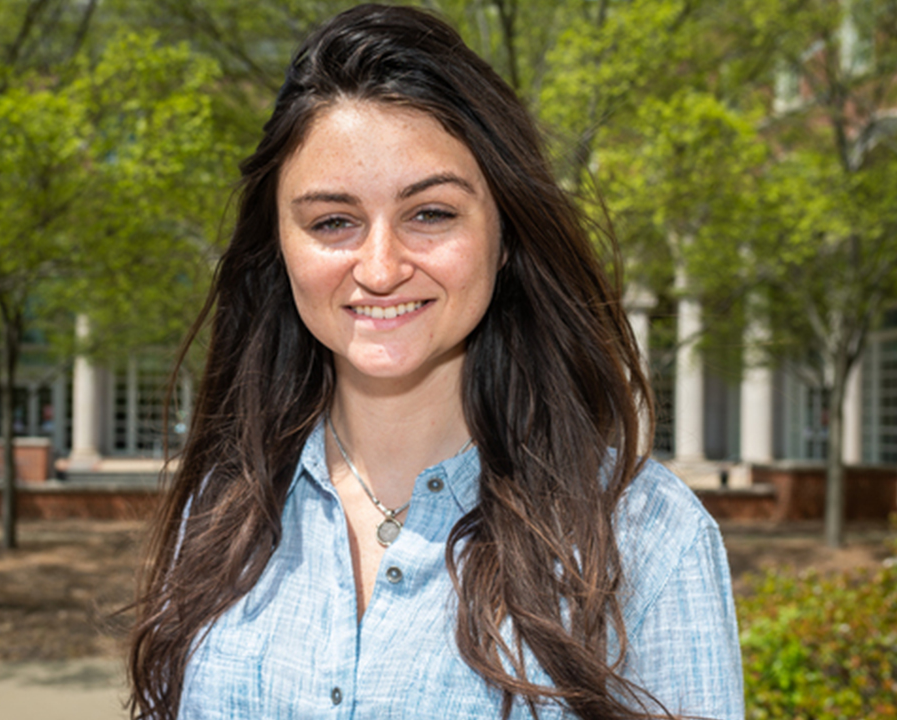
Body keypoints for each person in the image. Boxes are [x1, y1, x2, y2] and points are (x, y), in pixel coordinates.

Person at [127, 5, 743, 719]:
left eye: (431, 214)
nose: (381, 268)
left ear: (505, 234)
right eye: (333, 222)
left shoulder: (645, 536)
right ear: (281, 249)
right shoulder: (220, 511)